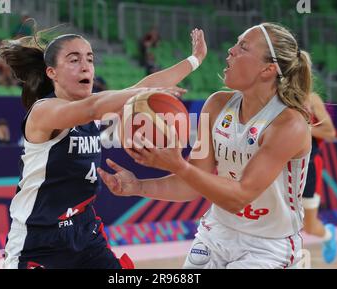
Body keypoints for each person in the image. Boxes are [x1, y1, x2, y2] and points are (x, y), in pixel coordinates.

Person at [99, 23, 313, 269]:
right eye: (235, 43)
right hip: (217, 233)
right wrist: (138, 186)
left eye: (243, 47)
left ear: (268, 69)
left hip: (268, 245)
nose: (230, 50)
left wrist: (179, 165)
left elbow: (239, 197)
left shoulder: (288, 124)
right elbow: (190, 186)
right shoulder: (216, 105)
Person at [0, 26, 204, 269]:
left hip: (84, 233)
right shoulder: (44, 111)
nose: (85, 66)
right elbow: (94, 106)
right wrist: (146, 94)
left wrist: (196, 59)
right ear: (51, 72)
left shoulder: (95, 109)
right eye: (74, 60)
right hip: (39, 239)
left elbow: (145, 83)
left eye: (90, 59)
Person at [302, 92, 337, 264]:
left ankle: (328, 234)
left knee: (309, 226)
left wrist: (302, 127)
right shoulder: (272, 96)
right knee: (284, 220)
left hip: (310, 164)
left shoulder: (311, 98)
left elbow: (330, 132)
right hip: (282, 163)